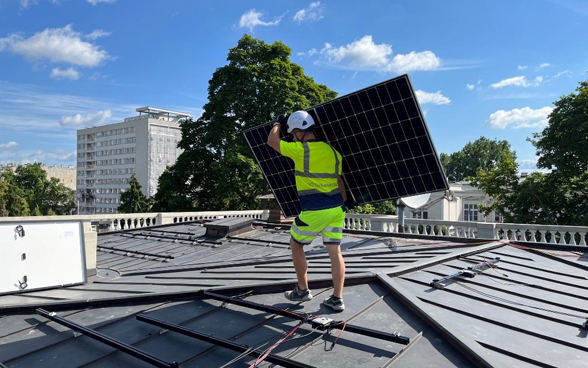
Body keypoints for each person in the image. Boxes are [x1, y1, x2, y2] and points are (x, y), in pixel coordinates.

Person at [267, 110, 347, 312]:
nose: (293, 138)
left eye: (293, 134)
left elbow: (272, 141)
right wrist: (343, 204)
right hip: (337, 208)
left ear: (299, 132)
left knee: (295, 244)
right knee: (335, 251)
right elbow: (339, 181)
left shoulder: (301, 150)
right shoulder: (334, 152)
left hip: (315, 209)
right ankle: (337, 299)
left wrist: (277, 123)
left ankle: (302, 290)